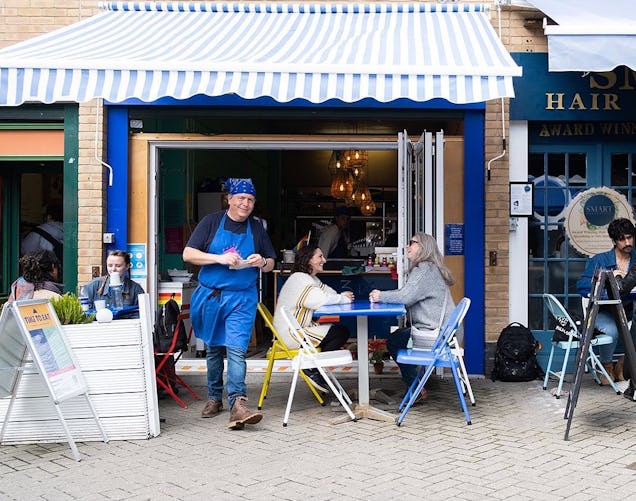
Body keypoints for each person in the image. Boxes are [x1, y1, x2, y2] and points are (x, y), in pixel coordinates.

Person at [183, 177, 276, 430]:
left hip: (242, 297)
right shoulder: (211, 222)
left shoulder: (257, 228)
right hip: (212, 295)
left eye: (250, 200)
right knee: (213, 348)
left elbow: (271, 264)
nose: (246, 204)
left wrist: (261, 262)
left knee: (236, 349)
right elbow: (188, 254)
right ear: (230, 200)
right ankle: (214, 398)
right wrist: (219, 259)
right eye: (241, 199)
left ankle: (238, 403)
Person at [369, 232, 455, 403]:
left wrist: (380, 296)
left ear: (423, 248)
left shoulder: (424, 269)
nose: (407, 246)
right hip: (443, 332)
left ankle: (416, 389)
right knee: (399, 338)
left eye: (412, 243)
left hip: (434, 334)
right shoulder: (430, 268)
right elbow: (407, 295)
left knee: (394, 342)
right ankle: (416, 385)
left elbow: (406, 297)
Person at [273, 244, 354, 392]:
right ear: (309, 260)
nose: (324, 260)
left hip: (296, 329)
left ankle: (316, 370)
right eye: (320, 257)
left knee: (339, 331)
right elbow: (320, 301)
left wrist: (340, 297)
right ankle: (313, 369)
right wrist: (342, 298)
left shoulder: (309, 278)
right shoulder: (300, 279)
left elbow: (329, 293)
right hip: (291, 334)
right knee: (340, 332)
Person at [577, 217, 636, 384]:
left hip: (630, 310)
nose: (627, 242)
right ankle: (607, 365)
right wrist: (608, 290)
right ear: (614, 241)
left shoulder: (635, 260)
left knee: (635, 331)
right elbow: (581, 285)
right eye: (622, 239)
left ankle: (625, 365)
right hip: (605, 312)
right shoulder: (600, 260)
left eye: (630, 237)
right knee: (613, 330)